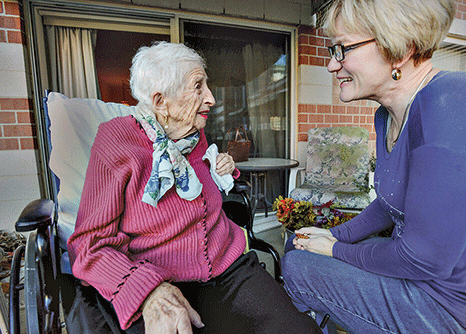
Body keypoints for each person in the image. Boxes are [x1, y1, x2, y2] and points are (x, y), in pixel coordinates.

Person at [67, 42, 322, 334]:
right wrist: (147, 290)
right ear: (161, 101)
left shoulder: (193, 133)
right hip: (160, 278)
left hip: (230, 267)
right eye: (198, 87)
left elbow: (206, 179)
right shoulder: (115, 141)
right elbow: (87, 246)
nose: (211, 98)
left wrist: (226, 166)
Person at [281, 0, 466, 333]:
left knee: (298, 266)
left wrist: (336, 250)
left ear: (400, 49)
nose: (330, 65)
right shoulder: (386, 117)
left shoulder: (457, 99)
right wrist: (329, 235)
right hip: (419, 279)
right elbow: (388, 204)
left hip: (455, 309)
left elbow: (424, 258)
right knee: (298, 241)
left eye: (342, 49)